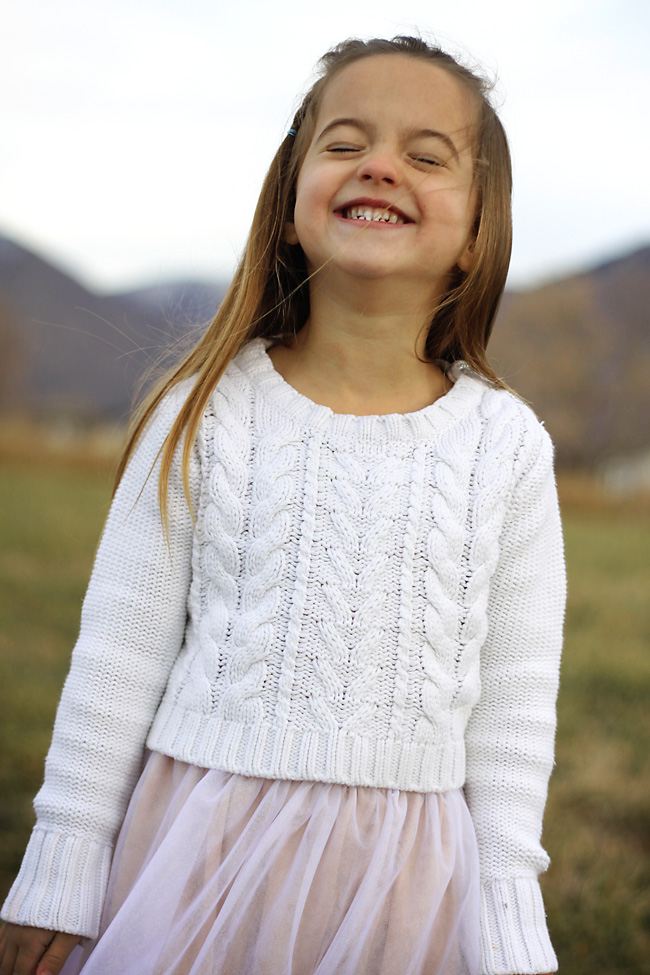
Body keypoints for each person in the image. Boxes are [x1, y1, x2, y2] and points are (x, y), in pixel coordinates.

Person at [0, 35, 565, 975]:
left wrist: (508, 907)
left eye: (427, 156)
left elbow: (515, 711)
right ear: (292, 205)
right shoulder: (202, 413)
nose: (380, 164)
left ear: (477, 233)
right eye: (345, 143)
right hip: (198, 847)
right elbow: (115, 656)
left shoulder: (506, 448)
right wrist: (62, 862)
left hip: (406, 878)